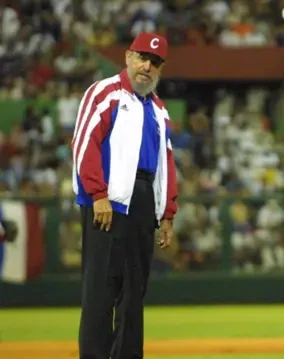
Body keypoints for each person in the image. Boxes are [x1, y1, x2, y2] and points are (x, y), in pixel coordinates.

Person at [71, 32, 179, 359]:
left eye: (156, 62)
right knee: (101, 291)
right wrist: (98, 194)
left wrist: (168, 212)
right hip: (109, 199)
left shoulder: (159, 109)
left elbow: (166, 161)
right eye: (143, 57)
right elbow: (84, 142)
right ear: (129, 56)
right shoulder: (106, 92)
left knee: (135, 292)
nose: (148, 66)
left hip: (144, 199)